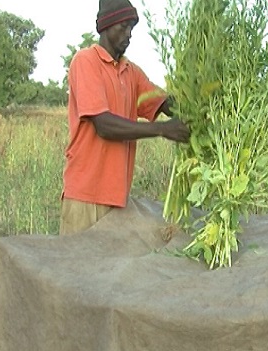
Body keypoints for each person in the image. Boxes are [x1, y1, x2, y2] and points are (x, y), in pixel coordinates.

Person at [59, 0, 190, 235]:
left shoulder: (132, 72)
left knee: (111, 269)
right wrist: (162, 129)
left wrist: (198, 104)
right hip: (85, 196)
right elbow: (104, 125)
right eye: (123, 26)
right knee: (80, 268)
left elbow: (164, 104)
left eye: (132, 28)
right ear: (105, 27)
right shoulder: (86, 61)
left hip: (117, 198)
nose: (129, 34)